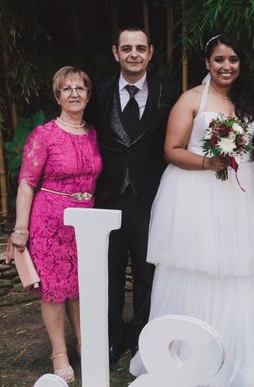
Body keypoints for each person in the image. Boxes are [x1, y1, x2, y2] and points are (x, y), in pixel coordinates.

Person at [129, 34, 254, 387]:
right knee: (199, 266)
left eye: (234, 60)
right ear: (207, 62)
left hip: (241, 195)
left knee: (243, 266)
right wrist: (210, 162)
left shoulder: (250, 98)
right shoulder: (191, 99)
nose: (227, 66)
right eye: (219, 60)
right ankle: (188, 354)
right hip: (197, 192)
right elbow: (172, 150)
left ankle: (246, 351)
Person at [6, 66, 102, 383]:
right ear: (57, 95)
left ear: (88, 95)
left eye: (80, 88)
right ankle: (59, 352)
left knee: (81, 288)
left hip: (85, 220)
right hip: (50, 220)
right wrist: (21, 228)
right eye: (67, 89)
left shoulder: (93, 133)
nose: (74, 93)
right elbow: (26, 182)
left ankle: (86, 345)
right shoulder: (44, 134)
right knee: (55, 290)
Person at [92, 28, 179, 363]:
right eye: (126, 48)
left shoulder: (168, 91)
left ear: (151, 52)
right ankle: (112, 336)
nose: (133, 54)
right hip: (108, 196)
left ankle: (144, 336)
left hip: (150, 196)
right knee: (110, 271)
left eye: (140, 48)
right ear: (115, 52)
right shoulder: (97, 91)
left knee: (147, 271)